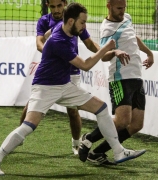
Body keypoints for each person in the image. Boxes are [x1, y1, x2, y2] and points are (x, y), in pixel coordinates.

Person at [0, 2, 146, 175]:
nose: (84, 27)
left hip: (65, 85)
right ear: (71, 21)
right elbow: (85, 65)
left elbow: (77, 43)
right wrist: (107, 49)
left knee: (101, 108)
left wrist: (107, 51)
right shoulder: (59, 41)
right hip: (45, 88)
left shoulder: (67, 29)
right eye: (82, 23)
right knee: (29, 126)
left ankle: (118, 151)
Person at [19, 0, 100, 155]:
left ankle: (76, 144)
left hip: (71, 71)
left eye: (59, 6)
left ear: (65, 4)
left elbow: (89, 43)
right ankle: (19, 135)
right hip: (52, 71)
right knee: (30, 106)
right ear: (48, 5)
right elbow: (39, 43)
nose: (56, 10)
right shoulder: (44, 21)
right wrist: (53, 53)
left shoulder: (74, 20)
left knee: (73, 111)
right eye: (52, 7)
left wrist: (103, 52)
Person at [78, 0, 154, 165]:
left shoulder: (126, 17)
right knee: (122, 121)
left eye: (124, 7)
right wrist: (115, 52)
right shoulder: (107, 28)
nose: (122, 11)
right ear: (109, 6)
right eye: (119, 8)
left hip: (136, 76)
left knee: (136, 124)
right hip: (120, 78)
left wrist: (148, 52)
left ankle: (97, 153)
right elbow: (103, 55)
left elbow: (134, 38)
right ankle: (88, 139)